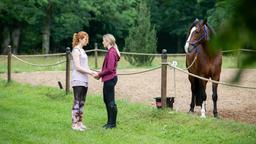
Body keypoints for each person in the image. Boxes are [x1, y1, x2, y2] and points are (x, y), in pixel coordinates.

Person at [71, 31, 97, 131]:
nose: (87, 41)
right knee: (77, 101)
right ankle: (74, 124)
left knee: (82, 102)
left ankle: (80, 122)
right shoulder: (76, 51)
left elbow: (85, 66)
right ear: (80, 39)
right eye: (86, 39)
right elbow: (78, 67)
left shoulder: (82, 51)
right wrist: (91, 73)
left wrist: (95, 72)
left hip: (84, 79)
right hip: (77, 79)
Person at [94, 34, 120, 129]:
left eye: (104, 40)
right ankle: (109, 122)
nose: (102, 42)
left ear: (108, 41)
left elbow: (109, 69)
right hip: (108, 78)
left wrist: (99, 74)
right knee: (107, 100)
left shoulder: (111, 52)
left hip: (110, 78)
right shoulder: (111, 51)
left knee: (110, 101)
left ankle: (112, 124)